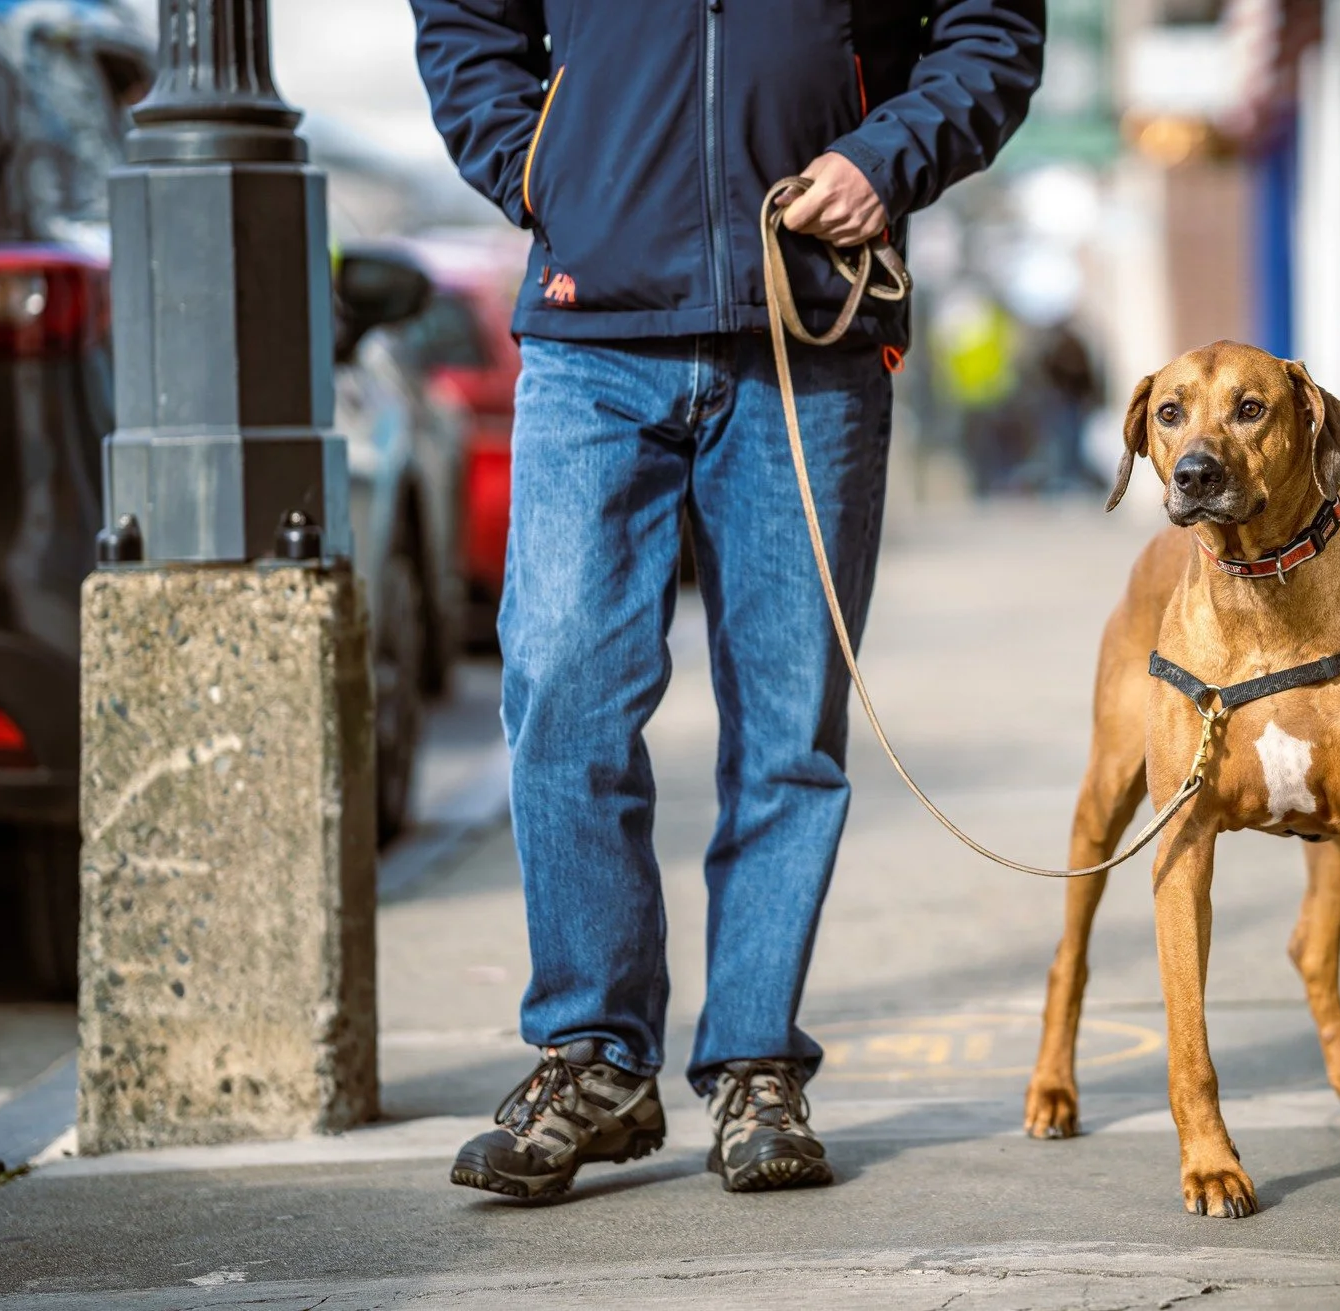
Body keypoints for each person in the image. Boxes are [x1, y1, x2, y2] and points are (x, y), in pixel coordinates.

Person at [409, 1, 1045, 1200]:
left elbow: (992, 29)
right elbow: (462, 20)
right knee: (559, 691)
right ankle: (592, 1059)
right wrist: (544, 169)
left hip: (810, 324)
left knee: (788, 724)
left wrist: (880, 158)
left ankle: (756, 1066)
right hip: (593, 330)